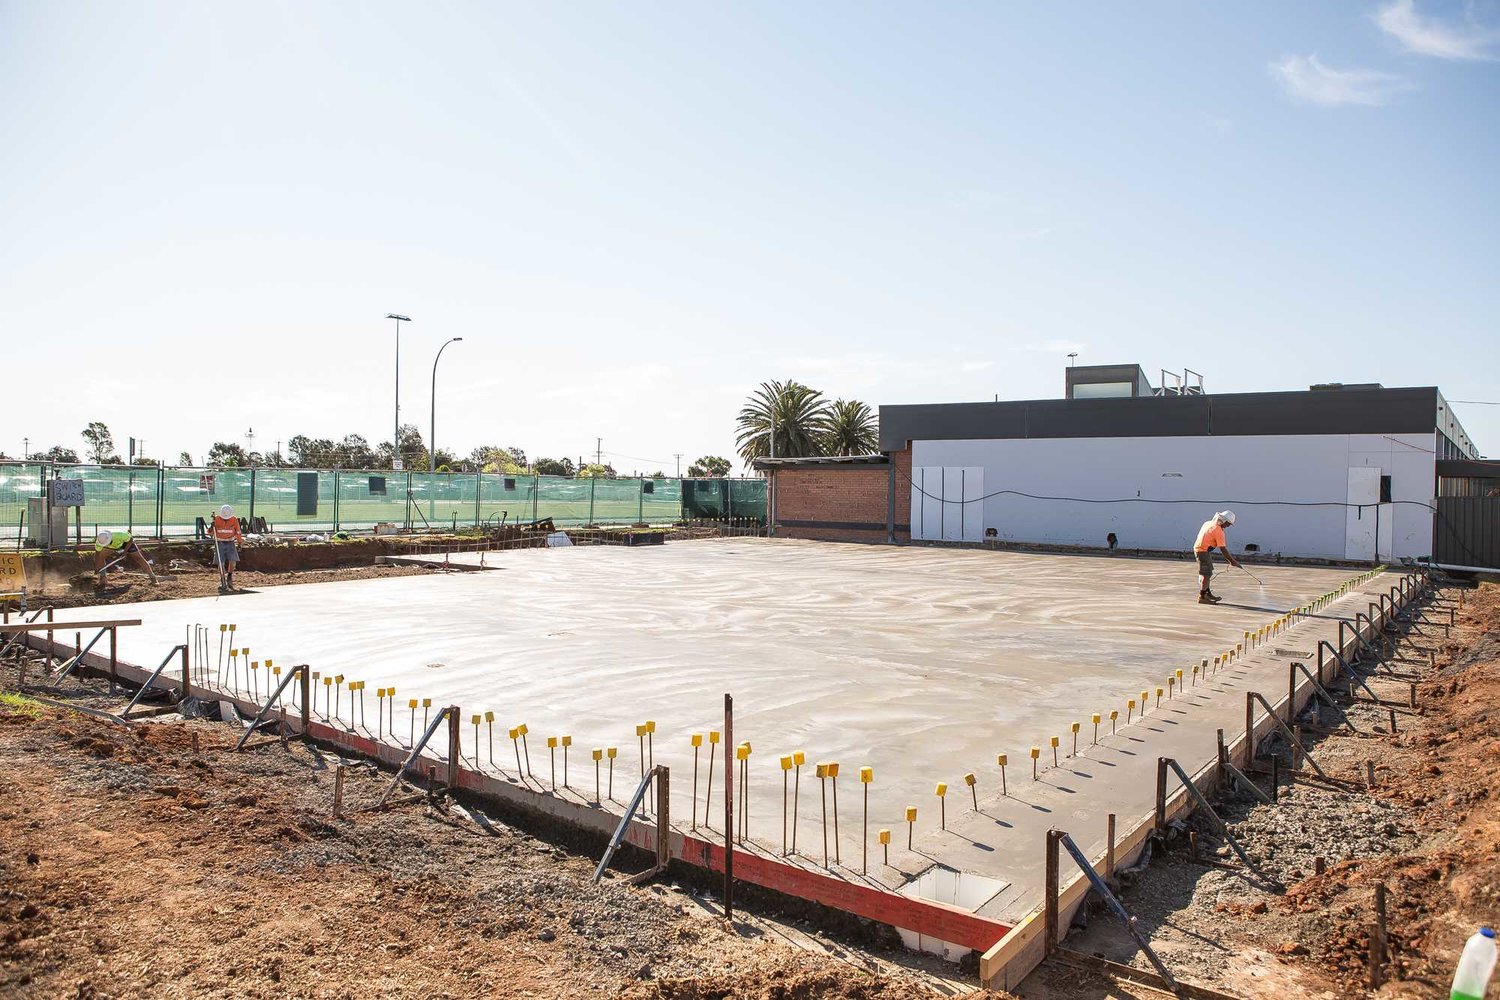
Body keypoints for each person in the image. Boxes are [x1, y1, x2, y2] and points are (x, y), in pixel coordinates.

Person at [1193, 510, 1240, 604]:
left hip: (1202, 549)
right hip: (1202, 550)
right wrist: (1232, 561)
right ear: (1223, 520)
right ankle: (1202, 597)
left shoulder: (1208, 523)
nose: (1228, 526)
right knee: (1206, 574)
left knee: (1208, 572)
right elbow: (1223, 549)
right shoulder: (1218, 530)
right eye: (1228, 523)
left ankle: (1207, 593)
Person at [211, 503, 242, 593]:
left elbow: (238, 531)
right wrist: (211, 527)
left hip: (230, 542)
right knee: (221, 562)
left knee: (232, 560)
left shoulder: (234, 519)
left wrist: (240, 542)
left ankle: (229, 577)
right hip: (219, 542)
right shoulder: (216, 519)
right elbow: (210, 532)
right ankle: (222, 579)